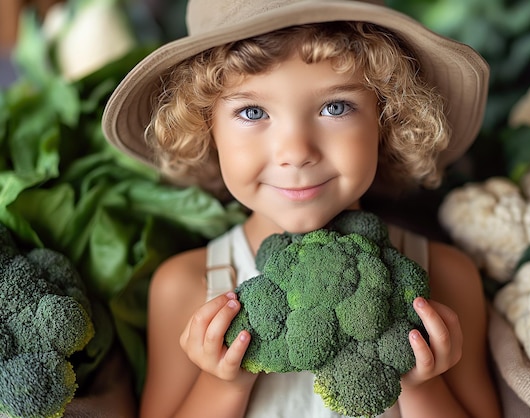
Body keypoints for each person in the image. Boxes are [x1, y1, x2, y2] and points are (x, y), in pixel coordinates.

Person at [102, 0, 501, 417]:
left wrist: (421, 384)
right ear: (205, 126)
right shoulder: (185, 287)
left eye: (336, 107)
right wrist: (221, 385)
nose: (296, 153)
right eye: (252, 111)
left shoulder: (446, 277)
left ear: (388, 116)